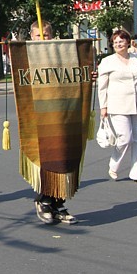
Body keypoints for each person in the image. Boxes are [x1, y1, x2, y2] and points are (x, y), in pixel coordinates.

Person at [27, 21, 94, 225]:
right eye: (38, 36)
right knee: (47, 158)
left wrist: (88, 74)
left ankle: (59, 202)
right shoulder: (27, 57)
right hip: (40, 115)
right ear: (32, 38)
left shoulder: (61, 55)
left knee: (65, 156)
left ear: (52, 36)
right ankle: (44, 199)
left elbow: (77, 73)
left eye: (46, 35)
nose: (42, 40)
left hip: (64, 113)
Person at [98, 29, 137, 184]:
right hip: (117, 105)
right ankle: (114, 164)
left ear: (127, 42)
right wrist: (103, 108)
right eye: (115, 42)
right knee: (124, 138)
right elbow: (102, 87)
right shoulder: (108, 62)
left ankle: (136, 172)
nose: (118, 44)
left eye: (121, 41)